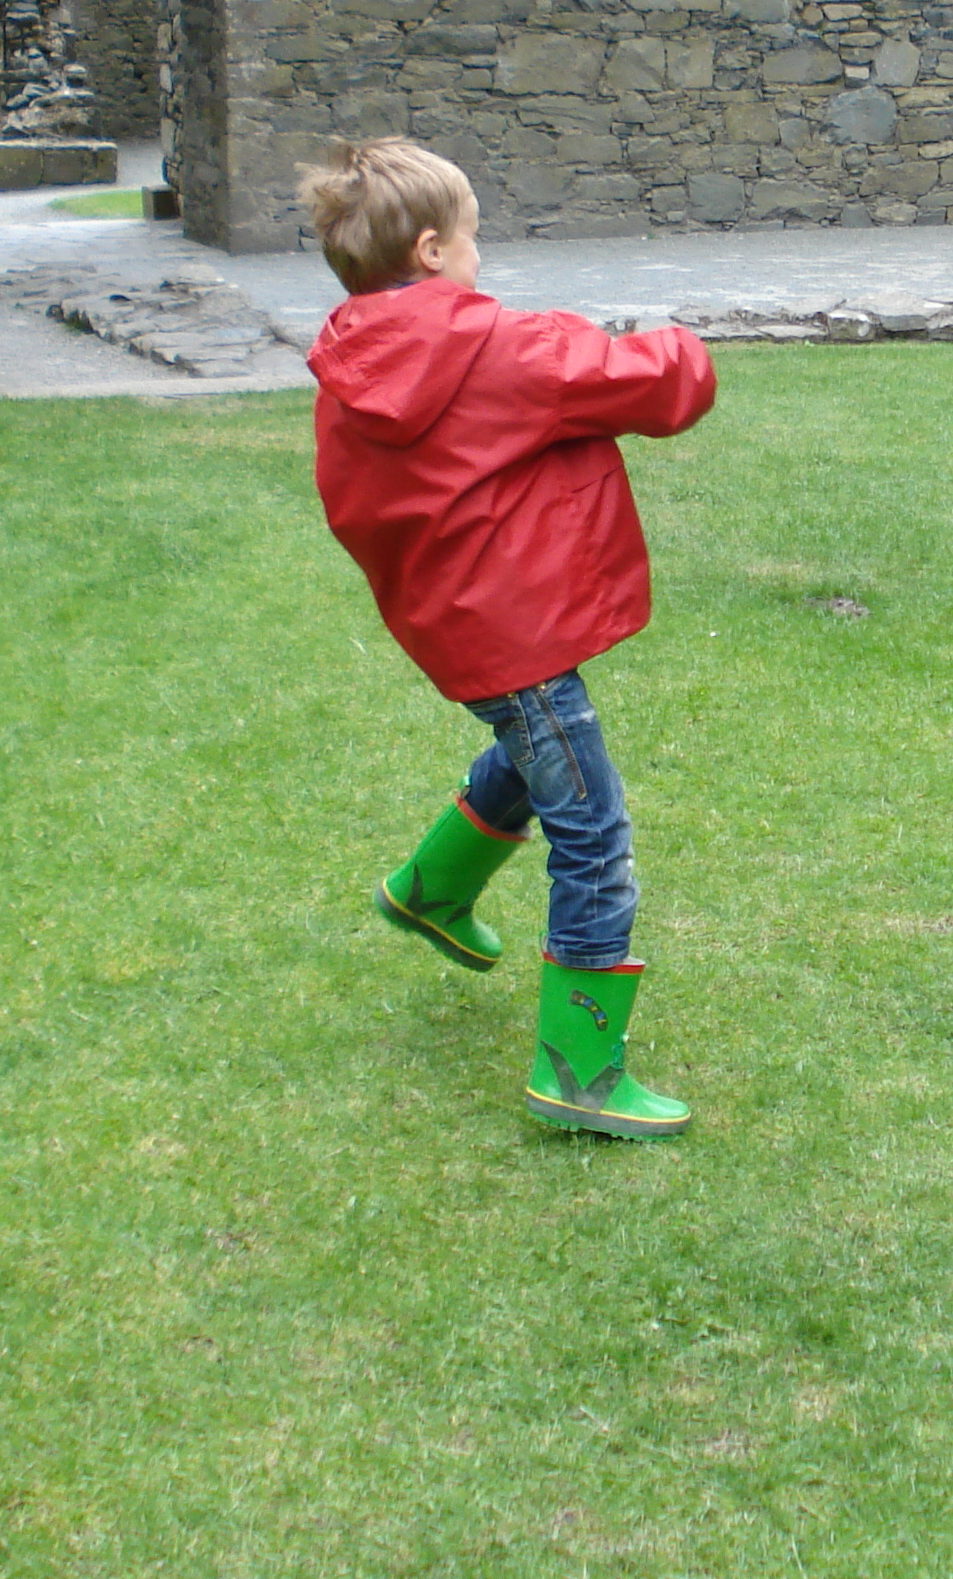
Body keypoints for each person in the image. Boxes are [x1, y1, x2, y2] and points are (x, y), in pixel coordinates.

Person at [303, 138, 717, 1136]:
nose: (483, 258)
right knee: (592, 832)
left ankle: (431, 890)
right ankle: (577, 1073)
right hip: (513, 635)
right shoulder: (505, 349)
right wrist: (685, 343)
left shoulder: (352, 363)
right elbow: (659, 387)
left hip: (457, 624)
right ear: (436, 250)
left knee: (535, 753)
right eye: (476, 238)